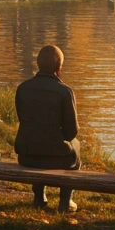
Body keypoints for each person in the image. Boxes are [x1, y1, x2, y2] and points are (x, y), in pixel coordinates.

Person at [15, 45, 80, 212]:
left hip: (27, 156)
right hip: (57, 158)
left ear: (38, 64)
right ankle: (65, 200)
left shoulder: (22, 88)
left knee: (37, 136)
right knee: (76, 145)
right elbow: (71, 131)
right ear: (59, 68)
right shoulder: (65, 92)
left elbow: (23, 119)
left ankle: (39, 196)